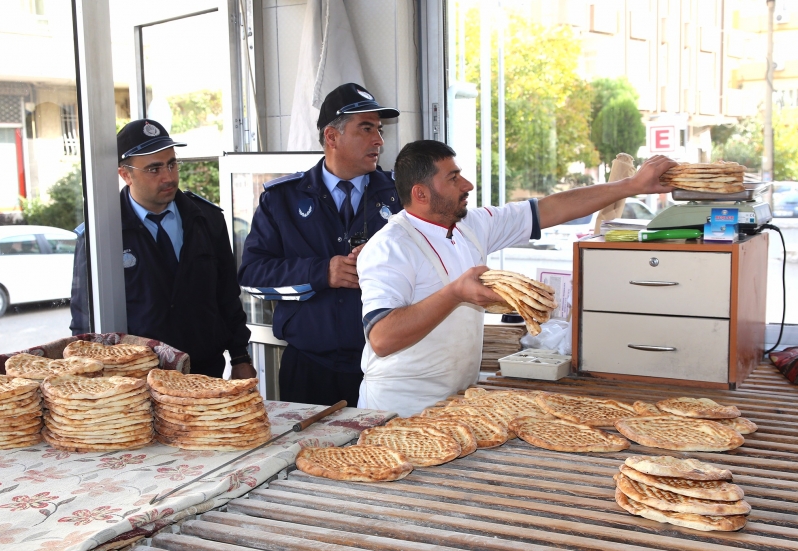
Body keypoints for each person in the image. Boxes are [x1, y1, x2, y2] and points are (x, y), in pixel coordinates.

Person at [357, 140, 677, 416]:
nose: (467, 184)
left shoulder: (471, 225)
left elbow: (548, 210)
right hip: (398, 408)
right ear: (421, 194)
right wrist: (455, 293)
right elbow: (383, 338)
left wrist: (632, 186)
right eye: (453, 178)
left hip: (457, 401)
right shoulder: (390, 248)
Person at [238, 83, 402, 407]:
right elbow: (253, 277)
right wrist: (321, 273)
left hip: (384, 367)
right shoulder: (282, 200)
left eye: (380, 130)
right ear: (332, 137)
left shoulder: (401, 197)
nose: (379, 141)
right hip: (309, 371)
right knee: (307, 457)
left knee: (382, 456)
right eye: (366, 129)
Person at [70, 119, 254, 379]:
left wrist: (240, 358)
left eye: (171, 164)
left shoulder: (206, 219)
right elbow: (84, 318)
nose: (168, 176)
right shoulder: (102, 234)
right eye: (154, 169)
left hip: (203, 372)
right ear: (125, 174)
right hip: (135, 379)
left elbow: (226, 297)